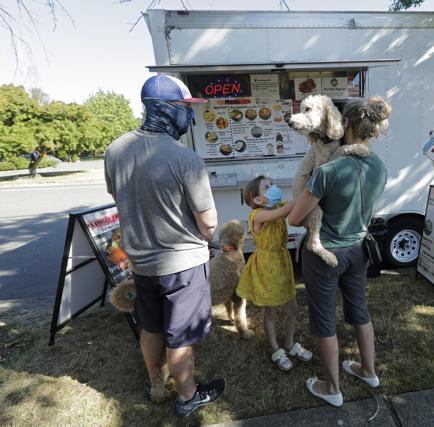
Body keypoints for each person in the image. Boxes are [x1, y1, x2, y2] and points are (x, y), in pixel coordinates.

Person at [104, 75, 224, 417]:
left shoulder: (115, 150)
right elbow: (209, 223)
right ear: (169, 109)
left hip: (141, 263)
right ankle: (188, 397)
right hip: (182, 264)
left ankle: (156, 384)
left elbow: (120, 196)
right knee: (180, 335)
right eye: (187, 108)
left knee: (151, 326)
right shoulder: (185, 159)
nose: (191, 117)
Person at [288, 96, 391, 407]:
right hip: (358, 250)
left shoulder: (328, 171)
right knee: (360, 311)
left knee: (324, 322)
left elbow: (295, 219)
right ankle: (368, 370)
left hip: (325, 255)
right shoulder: (379, 167)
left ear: (344, 124)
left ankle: (331, 388)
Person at [236, 176, 313, 371]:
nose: (273, 188)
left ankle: (289, 343)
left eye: (272, 184)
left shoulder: (279, 206)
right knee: (270, 311)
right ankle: (275, 348)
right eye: (267, 187)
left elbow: (294, 210)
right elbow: (287, 211)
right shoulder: (257, 215)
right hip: (266, 265)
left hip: (282, 262)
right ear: (257, 199)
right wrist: (310, 190)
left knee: (293, 309)